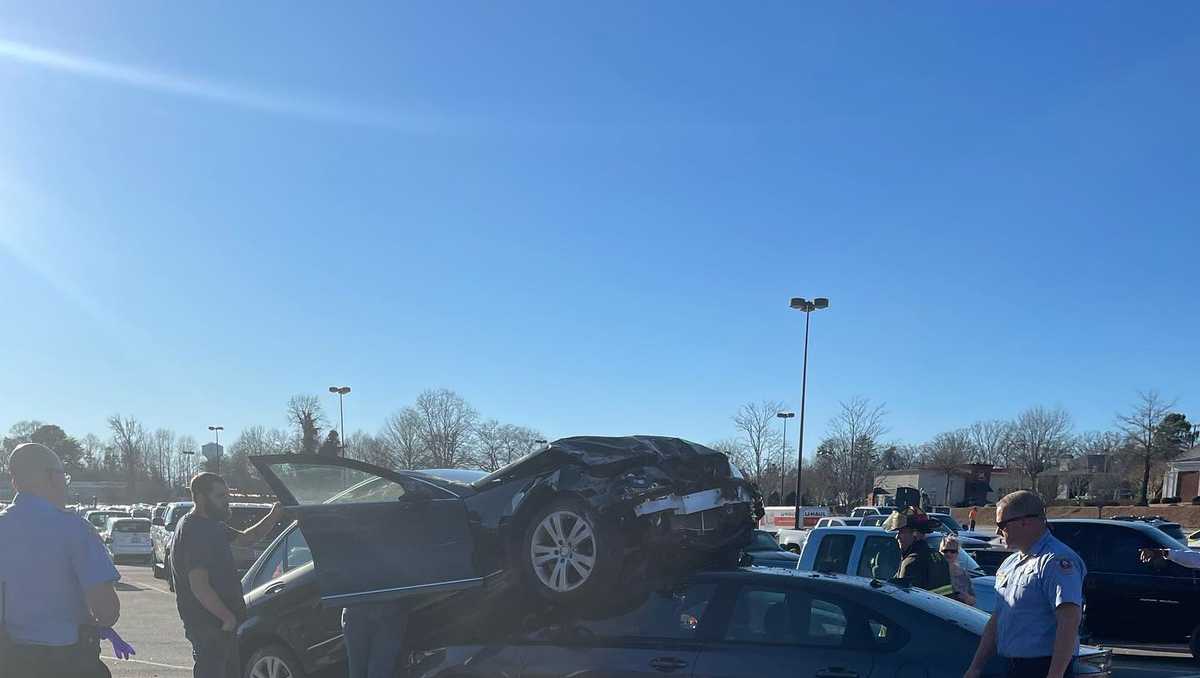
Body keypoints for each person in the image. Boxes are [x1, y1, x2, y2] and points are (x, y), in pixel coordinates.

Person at [0, 443, 120, 678]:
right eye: (64, 476)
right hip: (65, 659)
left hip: (8, 658)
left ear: (15, 481)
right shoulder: (75, 528)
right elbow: (106, 609)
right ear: (51, 477)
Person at [171, 473, 285, 678]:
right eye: (220, 496)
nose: (227, 501)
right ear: (200, 497)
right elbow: (199, 585)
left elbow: (246, 538)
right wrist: (227, 617)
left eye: (227, 495)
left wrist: (274, 514)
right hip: (209, 627)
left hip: (220, 627)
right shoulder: (194, 530)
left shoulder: (211, 525)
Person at [964, 491, 1085, 678]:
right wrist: (976, 667)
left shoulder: (1055, 560)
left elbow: (1069, 620)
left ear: (1025, 521)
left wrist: (1055, 675)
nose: (997, 532)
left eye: (1001, 525)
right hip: (1012, 666)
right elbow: (998, 619)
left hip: (1042, 666)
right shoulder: (1010, 564)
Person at [884, 508, 950, 590]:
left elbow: (903, 598)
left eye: (901, 532)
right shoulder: (938, 556)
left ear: (915, 534)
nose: (897, 536)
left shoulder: (911, 563)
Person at [941, 534, 976, 606]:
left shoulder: (963, 574)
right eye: (945, 551)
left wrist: (967, 597)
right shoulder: (934, 571)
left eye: (952, 551)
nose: (948, 553)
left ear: (957, 553)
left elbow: (973, 600)